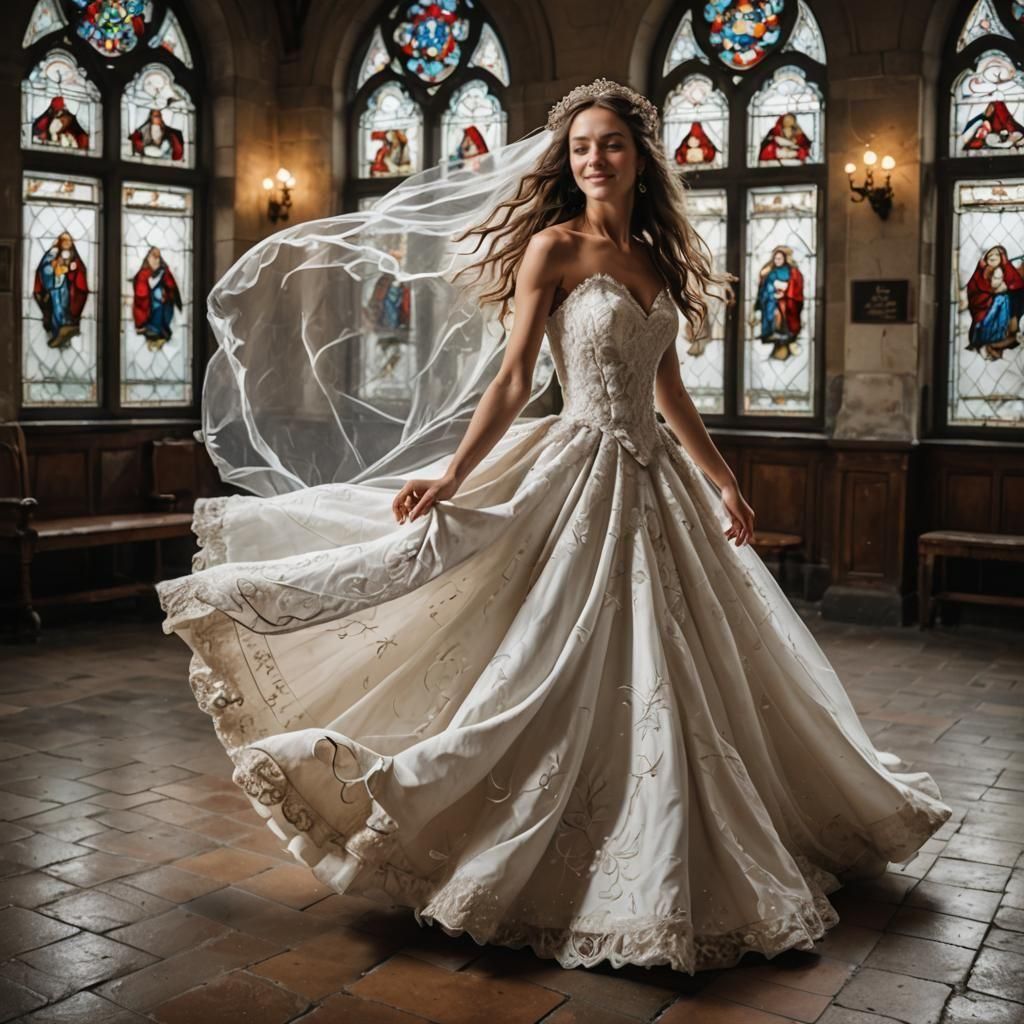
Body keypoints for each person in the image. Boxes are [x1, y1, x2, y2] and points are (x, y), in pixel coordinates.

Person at [156, 79, 951, 975]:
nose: (593, 159)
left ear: (640, 155)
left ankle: (679, 827)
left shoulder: (655, 256)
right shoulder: (553, 248)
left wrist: (721, 476)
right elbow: (513, 379)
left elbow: (668, 389)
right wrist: (454, 472)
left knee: (690, 661)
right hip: (576, 471)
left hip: (659, 485)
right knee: (547, 655)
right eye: (580, 146)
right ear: (566, 160)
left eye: (610, 143)